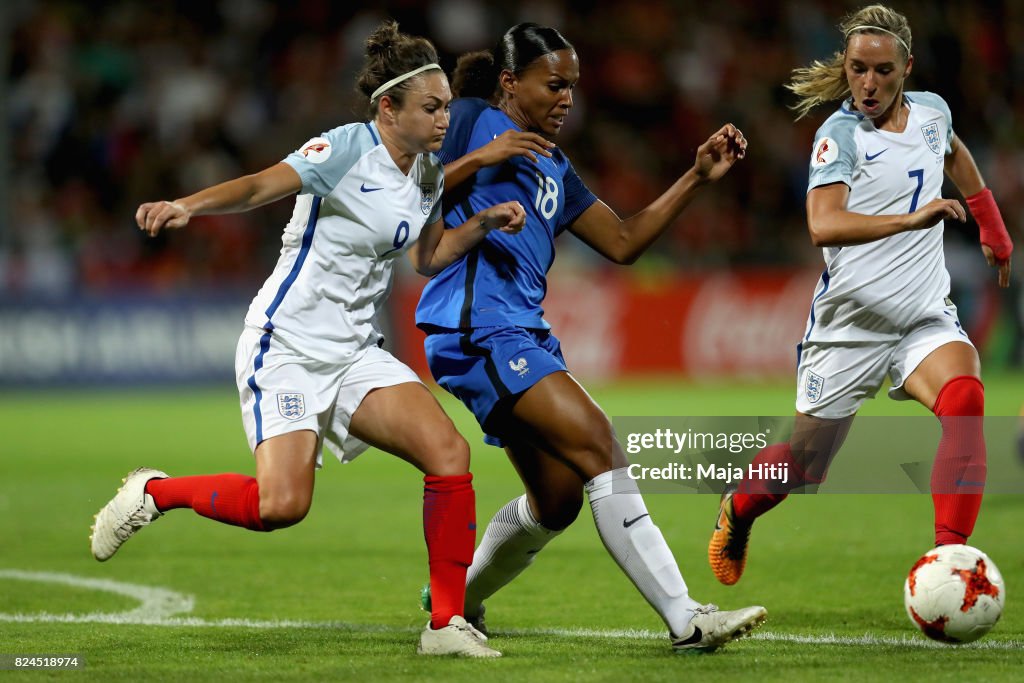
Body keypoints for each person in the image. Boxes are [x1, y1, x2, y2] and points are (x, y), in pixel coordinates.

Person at [89, 20, 527, 658]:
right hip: (287, 345)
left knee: (448, 453)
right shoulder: (345, 149)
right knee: (282, 506)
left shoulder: (429, 174)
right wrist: (190, 204)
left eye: (446, 109)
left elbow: (427, 255)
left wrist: (484, 222)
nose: (442, 120)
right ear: (388, 108)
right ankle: (154, 493)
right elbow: (262, 185)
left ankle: (445, 624)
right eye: (430, 108)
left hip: (354, 353)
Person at [414, 23, 766, 652]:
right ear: (509, 83)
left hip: (521, 329)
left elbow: (624, 242)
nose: (567, 98)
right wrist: (479, 160)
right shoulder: (466, 119)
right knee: (602, 444)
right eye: (554, 84)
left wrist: (695, 177)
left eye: (573, 86)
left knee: (557, 501)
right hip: (475, 326)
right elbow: (410, 189)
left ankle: (456, 601)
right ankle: (687, 619)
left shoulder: (555, 166)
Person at [708, 3, 1014, 586]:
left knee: (966, 398)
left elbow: (953, 151)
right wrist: (910, 220)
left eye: (881, 71)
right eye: (856, 70)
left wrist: (991, 225)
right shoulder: (838, 137)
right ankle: (738, 508)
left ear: (907, 69)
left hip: (923, 317)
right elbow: (823, 224)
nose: (868, 84)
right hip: (849, 327)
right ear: (845, 68)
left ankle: (949, 563)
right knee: (805, 466)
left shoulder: (932, 113)